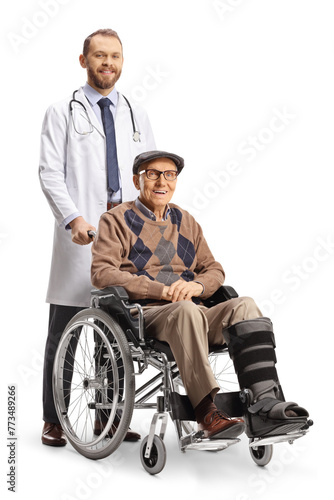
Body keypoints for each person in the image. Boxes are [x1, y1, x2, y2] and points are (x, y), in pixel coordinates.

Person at [91, 150, 310, 440]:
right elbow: (103, 273)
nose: (162, 181)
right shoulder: (115, 220)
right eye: (153, 174)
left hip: (193, 309)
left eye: (170, 175)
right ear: (136, 180)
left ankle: (264, 405)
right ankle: (206, 411)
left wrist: (198, 287)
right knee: (186, 311)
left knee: (245, 305)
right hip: (146, 315)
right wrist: (160, 289)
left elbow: (214, 269)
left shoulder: (186, 220)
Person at [39, 29, 156, 446]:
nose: (108, 63)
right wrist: (73, 219)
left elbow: (149, 172)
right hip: (82, 233)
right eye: (100, 56)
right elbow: (50, 173)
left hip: (125, 237)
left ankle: (110, 419)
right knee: (65, 331)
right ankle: (54, 419)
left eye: (115, 57)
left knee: (119, 333)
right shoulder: (61, 112)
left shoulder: (135, 113)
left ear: (122, 62)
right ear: (83, 60)